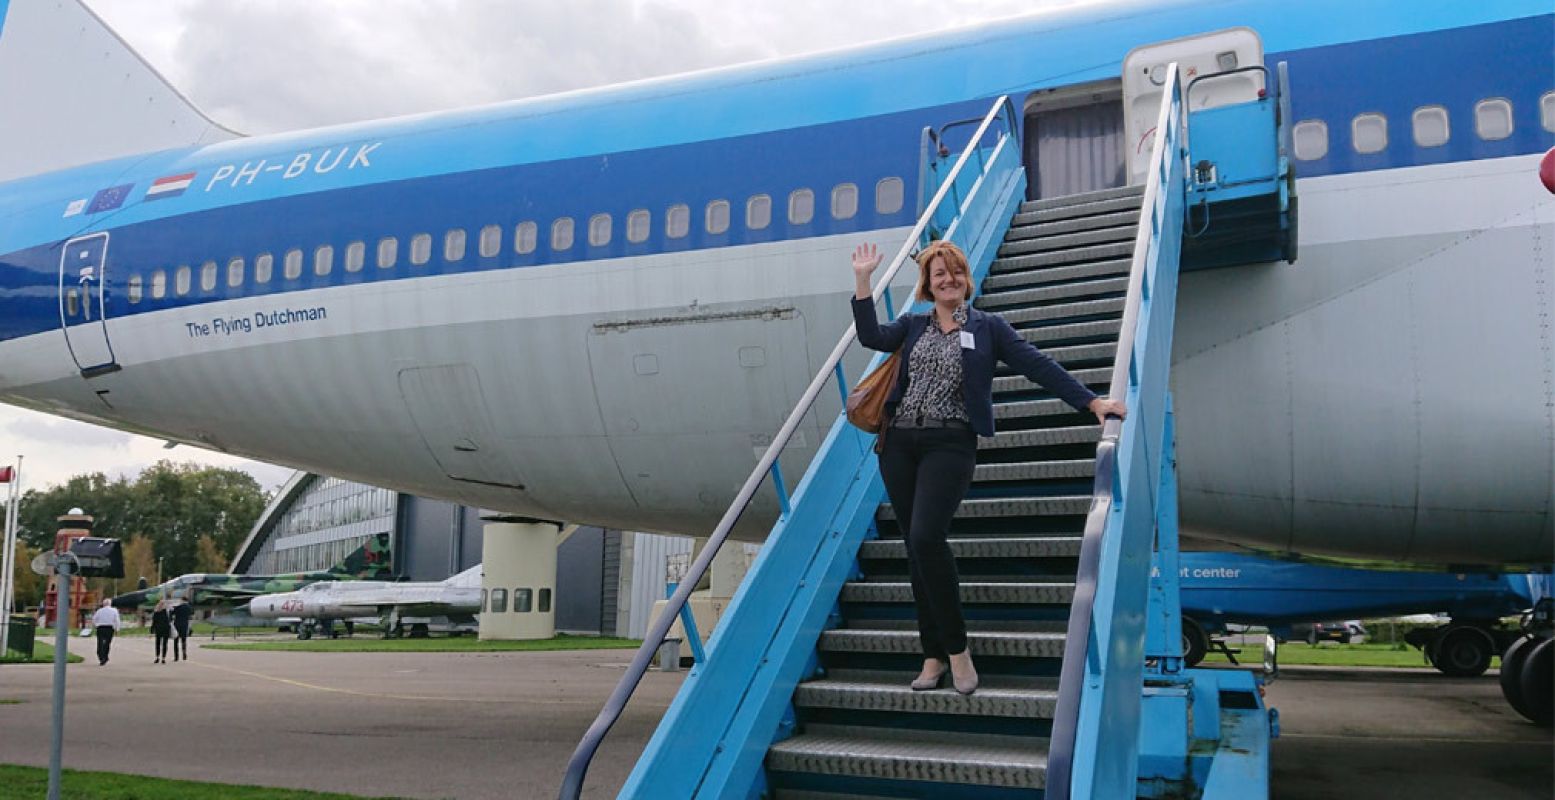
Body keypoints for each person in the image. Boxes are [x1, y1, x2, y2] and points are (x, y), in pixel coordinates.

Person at [850, 240, 1126, 695]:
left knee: (926, 536)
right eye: (939, 274)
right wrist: (863, 281)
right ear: (928, 283)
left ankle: (958, 651)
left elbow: (1037, 365)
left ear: (966, 279)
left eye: (955, 272)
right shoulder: (914, 326)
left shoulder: (987, 327)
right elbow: (871, 337)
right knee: (917, 552)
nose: (948, 280)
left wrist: (1091, 401)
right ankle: (931, 655)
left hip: (950, 441)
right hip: (898, 443)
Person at [90, 598, 120, 666]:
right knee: (107, 643)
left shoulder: (99, 611)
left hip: (100, 628)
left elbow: (94, 619)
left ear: (103, 604)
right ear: (110, 604)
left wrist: (95, 626)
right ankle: (105, 656)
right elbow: (117, 620)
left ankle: (101, 656)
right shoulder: (114, 610)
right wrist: (117, 629)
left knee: (100, 643)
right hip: (109, 628)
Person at [171, 596, 193, 662]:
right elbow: (191, 615)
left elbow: (172, 613)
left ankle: (176, 657)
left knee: (176, 641)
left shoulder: (178, 607)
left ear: (182, 600)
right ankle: (184, 654)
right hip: (185, 625)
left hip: (177, 624)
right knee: (184, 640)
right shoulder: (189, 607)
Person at [150, 598, 172, 664]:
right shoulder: (167, 612)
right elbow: (170, 620)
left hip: (158, 629)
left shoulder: (156, 612)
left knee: (158, 644)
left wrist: (152, 631)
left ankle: (157, 657)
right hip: (166, 629)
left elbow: (154, 622)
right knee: (165, 644)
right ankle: (163, 658)